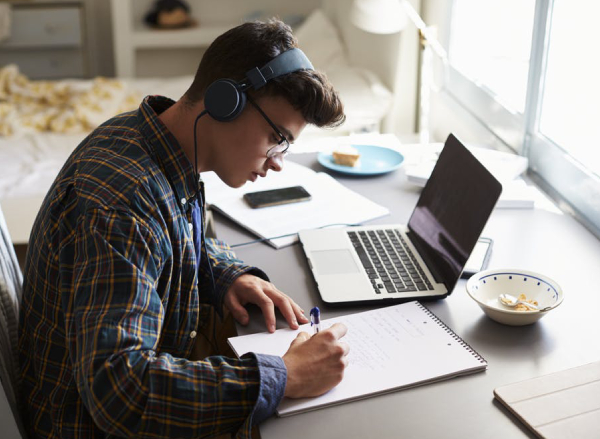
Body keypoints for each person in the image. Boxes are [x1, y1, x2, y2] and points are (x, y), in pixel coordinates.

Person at [18, 18, 349, 439]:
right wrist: (283, 375)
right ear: (225, 101)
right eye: (275, 136)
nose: (277, 160)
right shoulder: (123, 204)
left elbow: (169, 236)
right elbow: (121, 390)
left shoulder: (148, 142)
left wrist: (229, 274)